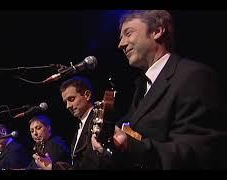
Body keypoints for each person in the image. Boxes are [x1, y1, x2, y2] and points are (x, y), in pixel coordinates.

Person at [91, 10, 227, 169]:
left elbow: (200, 152)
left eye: (128, 33)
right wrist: (109, 142)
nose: (121, 44)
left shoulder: (195, 76)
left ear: (157, 31)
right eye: (121, 37)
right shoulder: (142, 86)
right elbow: (131, 135)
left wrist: (132, 146)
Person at [35, 76, 109, 170]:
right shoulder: (80, 126)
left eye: (71, 99)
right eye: (65, 102)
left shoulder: (98, 121)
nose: (68, 106)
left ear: (87, 95)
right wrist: (52, 167)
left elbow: (90, 164)